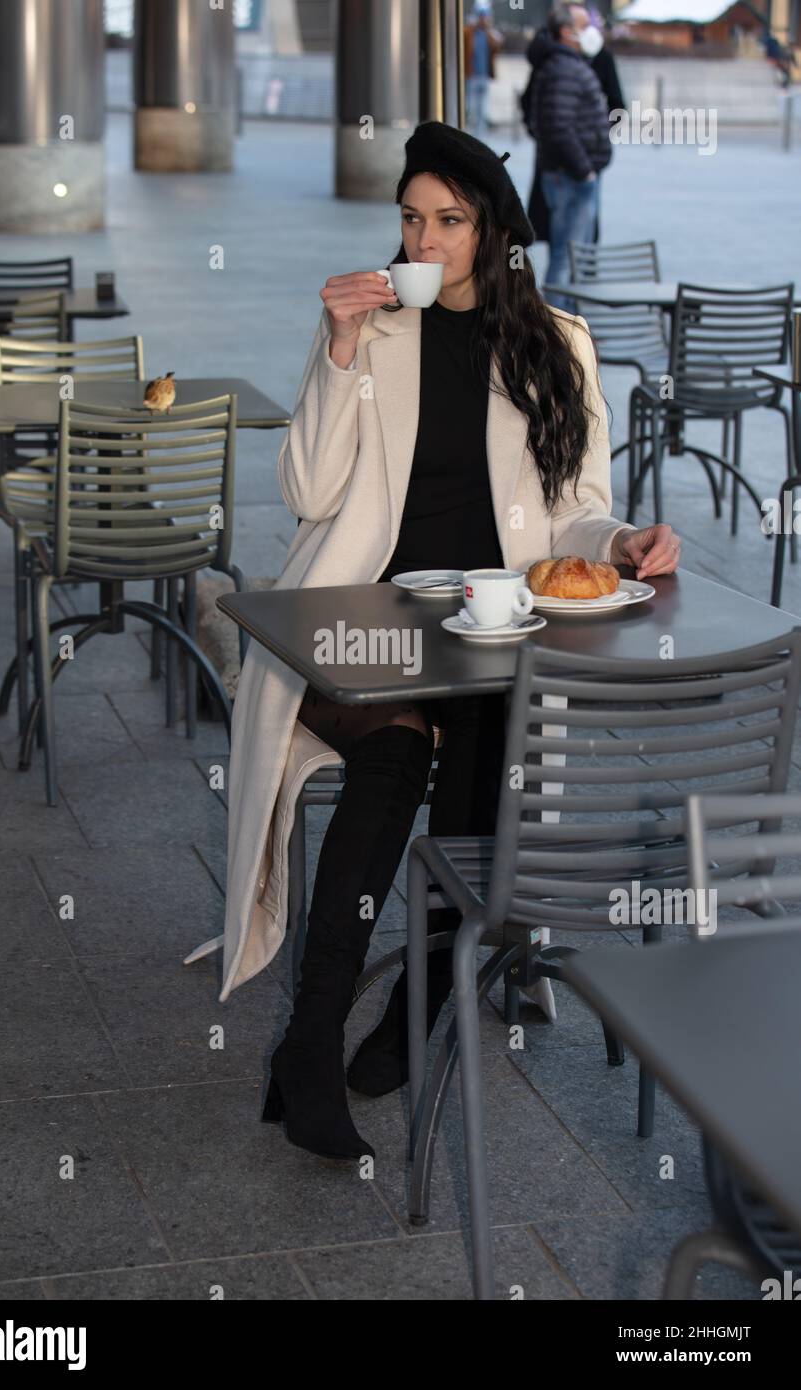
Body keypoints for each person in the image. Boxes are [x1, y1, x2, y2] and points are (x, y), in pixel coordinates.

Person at [212, 121, 682, 1165]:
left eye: (448, 222)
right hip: (357, 617)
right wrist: (335, 350)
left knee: (487, 763)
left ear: (492, 234)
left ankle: (414, 1009)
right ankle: (310, 1037)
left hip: (488, 626)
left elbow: (577, 515)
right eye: (410, 220)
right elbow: (306, 493)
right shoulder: (368, 330)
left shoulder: (556, 343)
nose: (422, 241)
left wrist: (624, 541)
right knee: (394, 754)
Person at [529, 3, 612, 311]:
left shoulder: (565, 64)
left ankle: (570, 328)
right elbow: (558, 126)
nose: (591, 28)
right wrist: (584, 170)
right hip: (571, 177)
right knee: (566, 257)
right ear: (566, 31)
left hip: (572, 174)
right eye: (583, 23)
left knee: (572, 257)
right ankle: (559, 331)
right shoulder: (562, 68)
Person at [464, 5, 503, 135]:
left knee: (482, 107)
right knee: (470, 106)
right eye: (481, 18)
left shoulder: (489, 34)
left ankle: (480, 132)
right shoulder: (470, 32)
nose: (483, 20)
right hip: (472, 75)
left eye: (485, 18)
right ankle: (469, 130)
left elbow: (498, 45)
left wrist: (489, 30)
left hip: (484, 75)